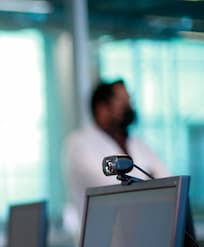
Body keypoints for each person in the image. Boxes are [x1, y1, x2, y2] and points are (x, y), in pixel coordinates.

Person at [62, 79, 169, 235]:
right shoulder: (79, 144)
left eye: (129, 102)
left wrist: (145, 184)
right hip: (101, 241)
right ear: (102, 109)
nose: (130, 108)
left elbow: (168, 183)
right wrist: (148, 180)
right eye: (123, 103)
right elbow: (114, 190)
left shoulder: (139, 144)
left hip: (144, 236)